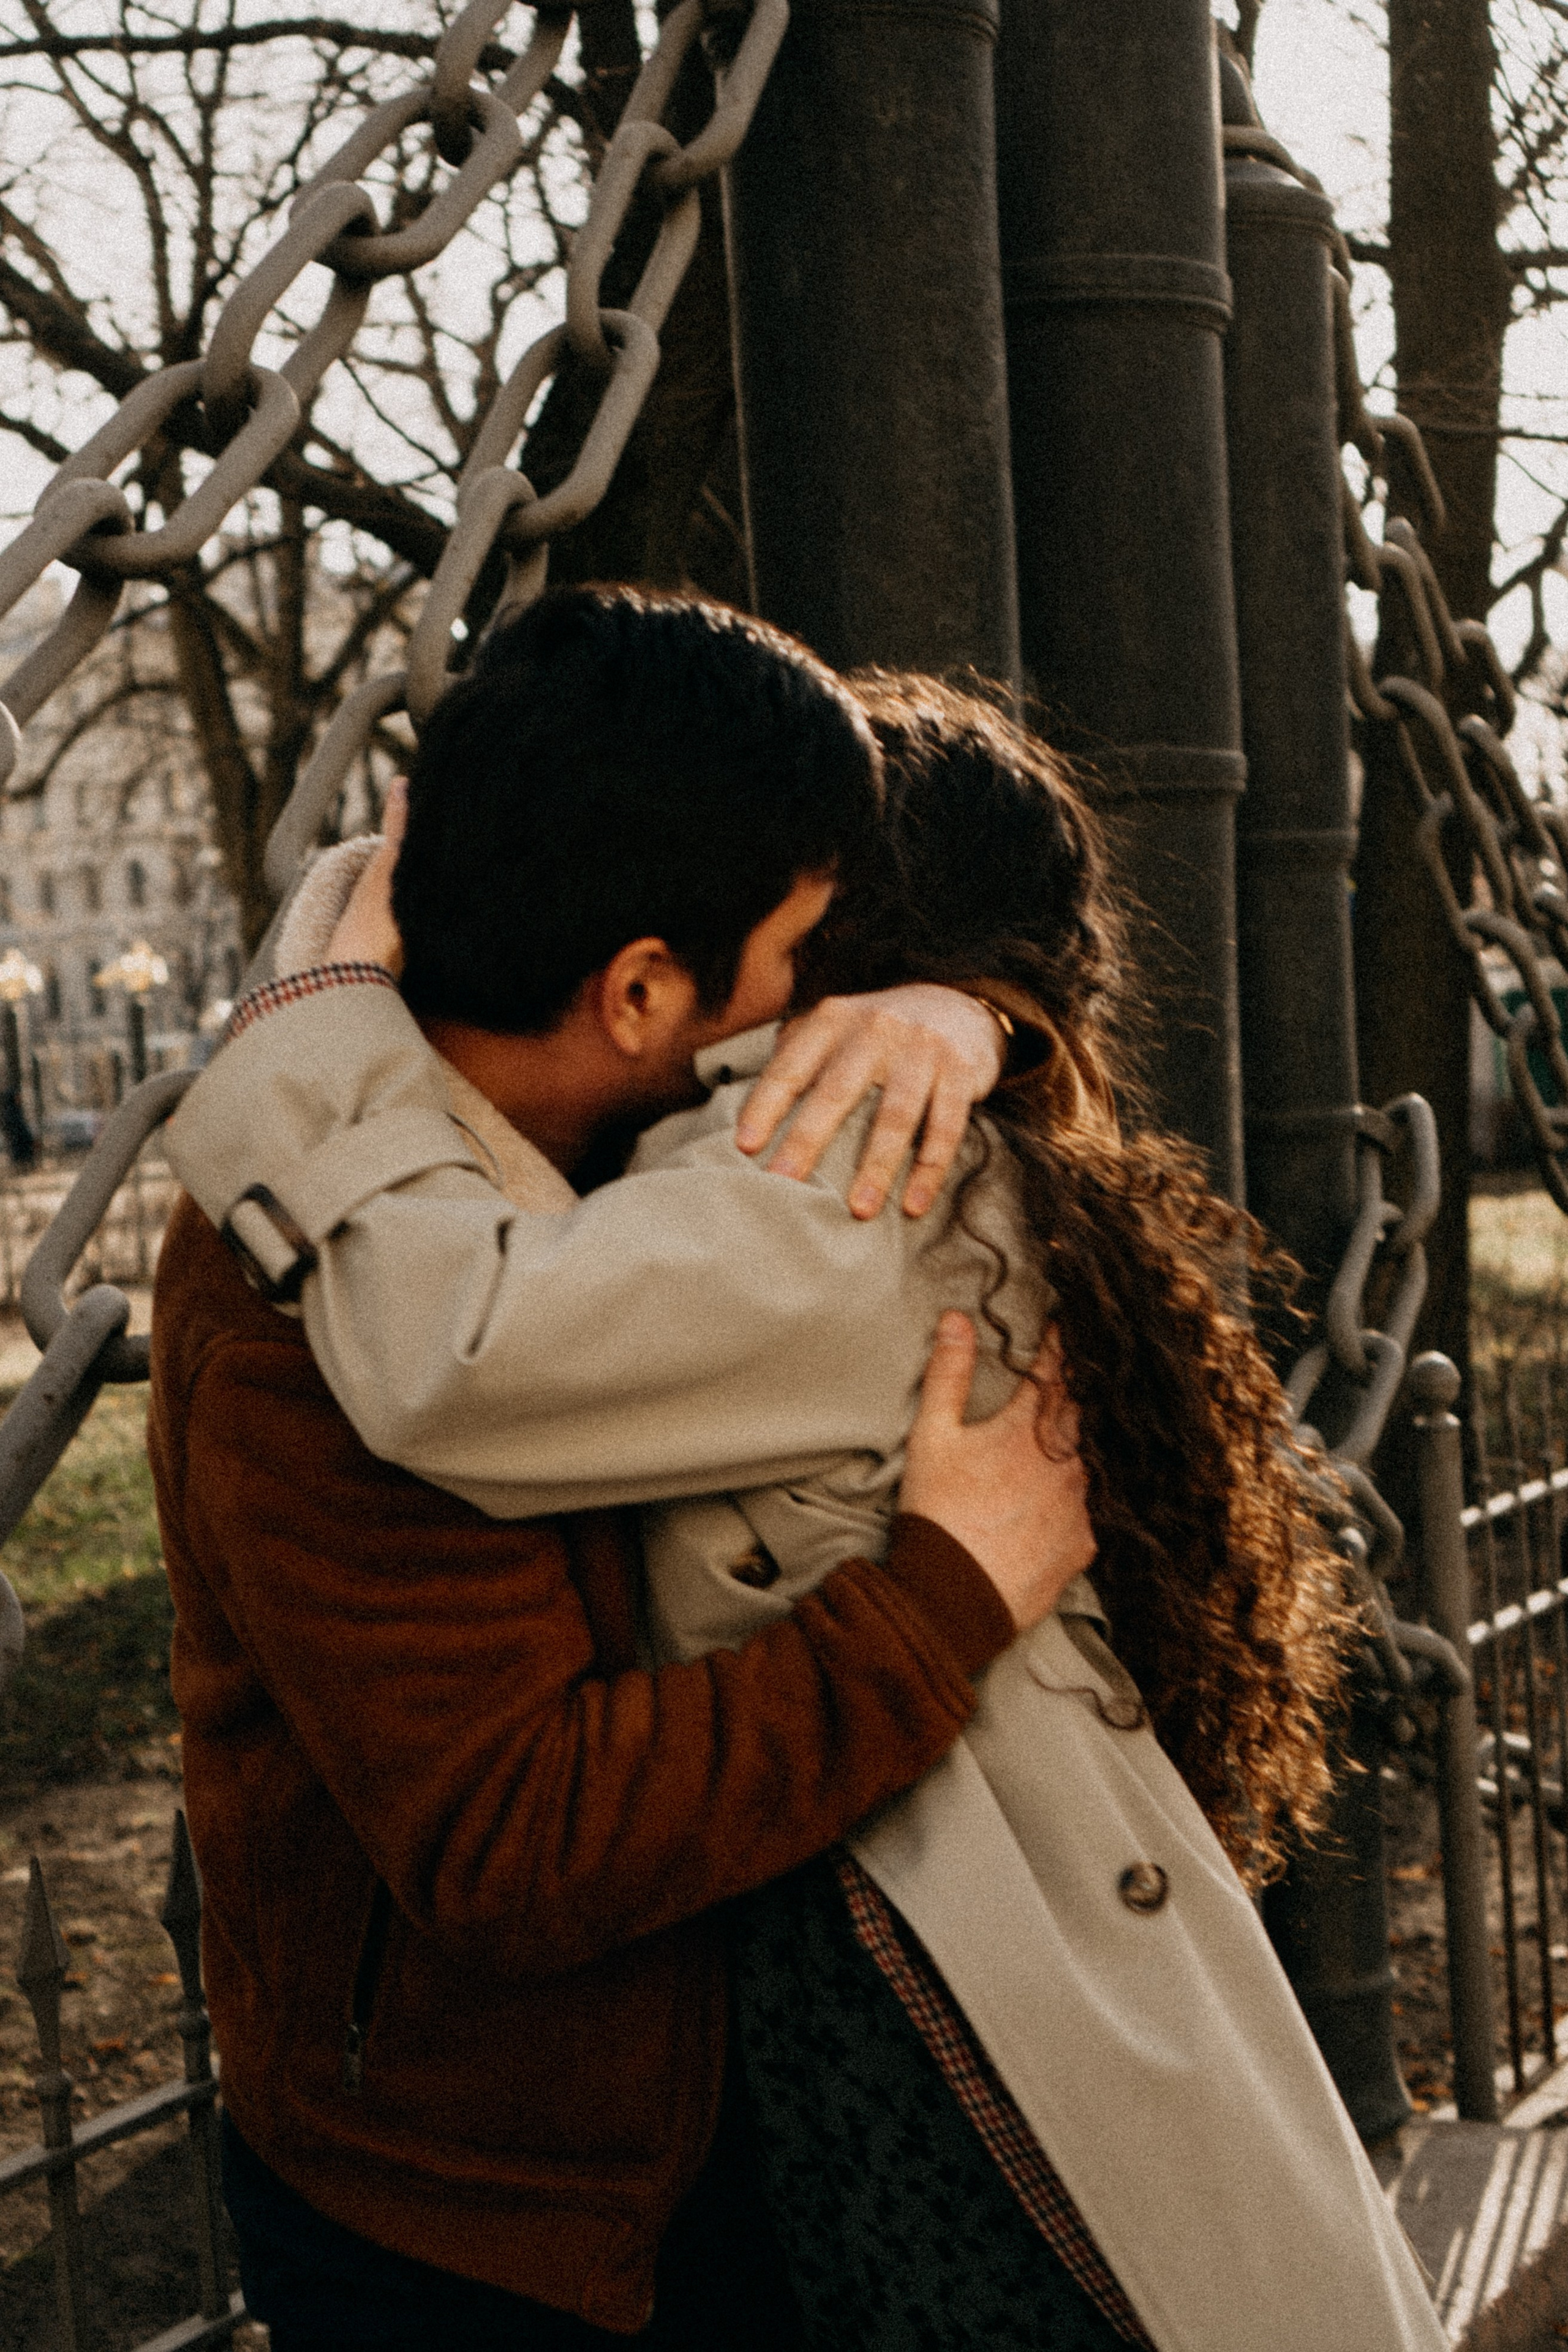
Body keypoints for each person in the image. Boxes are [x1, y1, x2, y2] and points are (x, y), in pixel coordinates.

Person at [168, 625, 1444, 2347]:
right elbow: (512, 1832)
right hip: (478, 2203)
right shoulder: (316, 1267)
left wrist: (963, 1016)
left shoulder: (833, 1159)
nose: (783, 1007)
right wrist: (942, 1599)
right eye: (795, 942)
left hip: (798, 2074)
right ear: (646, 990)